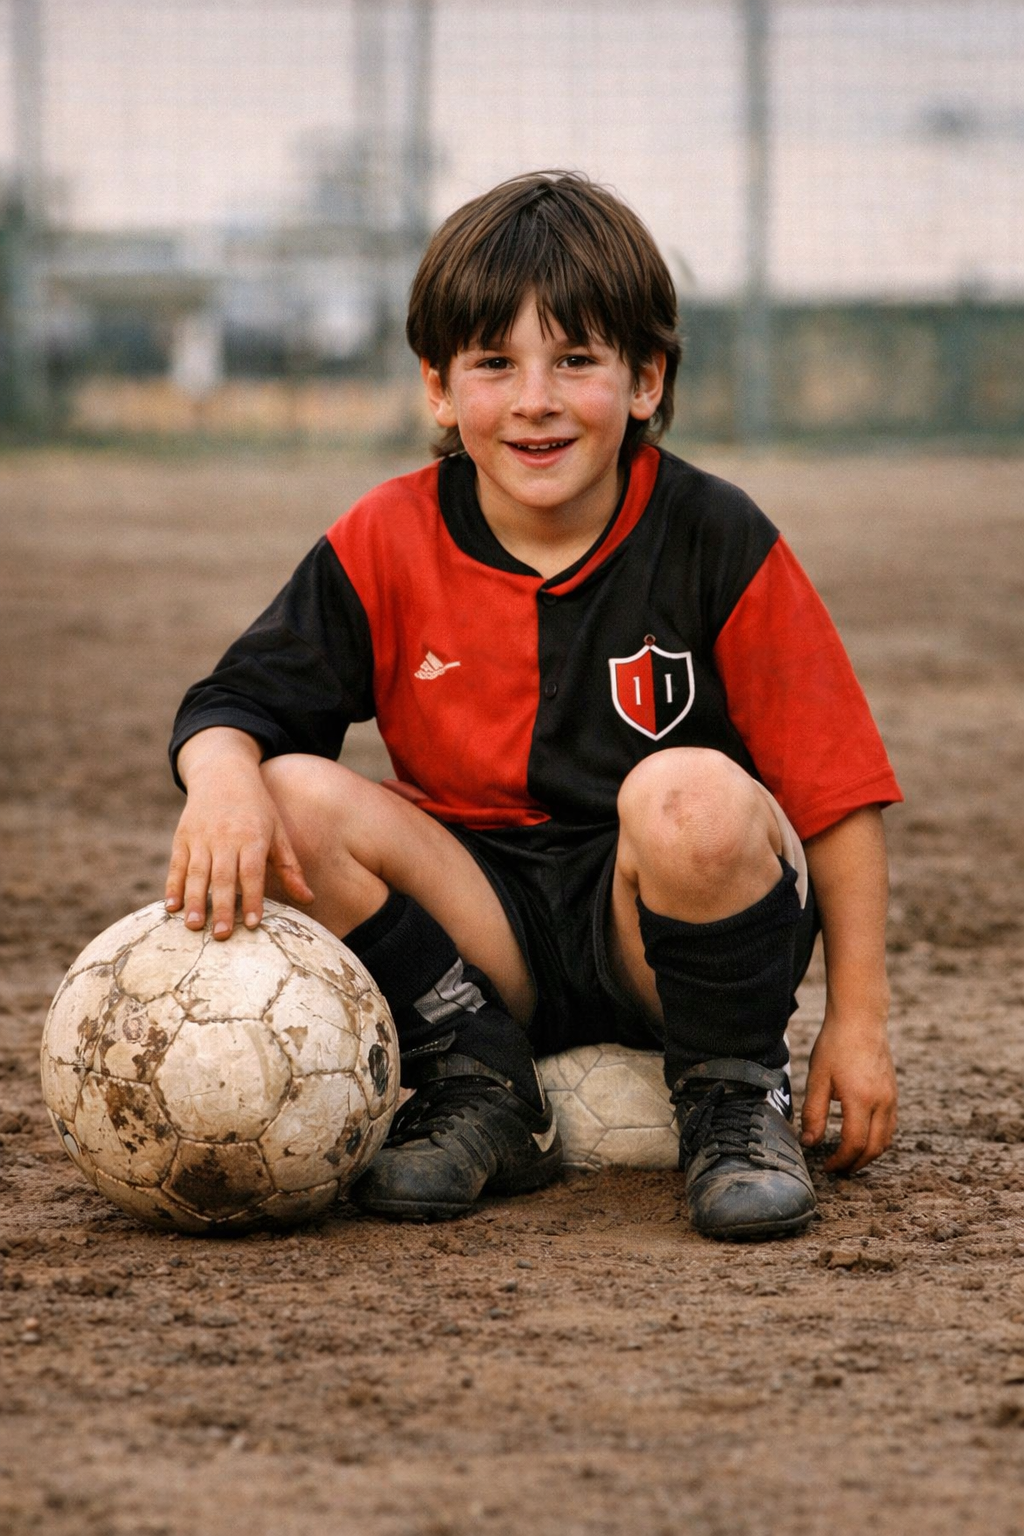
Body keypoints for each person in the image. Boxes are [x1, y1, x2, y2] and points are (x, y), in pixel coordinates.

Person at [165, 170, 901, 1242]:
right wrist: (225, 782)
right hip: (484, 931)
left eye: (577, 361)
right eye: (494, 364)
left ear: (645, 380)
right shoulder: (386, 538)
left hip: (658, 929)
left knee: (689, 791)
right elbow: (238, 700)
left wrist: (860, 1024)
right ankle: (481, 1087)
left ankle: (735, 1094)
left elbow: (836, 794)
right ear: (438, 389)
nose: (535, 400)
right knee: (284, 788)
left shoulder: (715, 536)